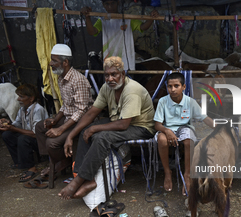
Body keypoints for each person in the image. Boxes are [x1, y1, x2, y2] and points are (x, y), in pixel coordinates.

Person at [59, 56, 155, 200]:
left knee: (101, 136)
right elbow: (91, 113)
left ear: (122, 74)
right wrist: (70, 136)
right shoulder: (107, 88)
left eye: (114, 74)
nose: (110, 79)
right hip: (119, 120)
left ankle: (79, 181)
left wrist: (95, 129)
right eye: (107, 75)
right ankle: (83, 177)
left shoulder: (132, 90)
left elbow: (123, 124)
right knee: (87, 130)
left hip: (141, 127)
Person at [35, 44, 93, 179]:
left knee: (52, 143)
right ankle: (56, 161)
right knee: (40, 126)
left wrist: (60, 129)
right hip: (69, 118)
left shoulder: (78, 80)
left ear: (65, 62)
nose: (50, 64)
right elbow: (65, 105)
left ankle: (64, 161)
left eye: (54, 61)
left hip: (82, 121)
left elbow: (81, 111)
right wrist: (55, 119)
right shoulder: (61, 78)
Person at [154, 72, 214, 195]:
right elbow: (157, 124)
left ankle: (187, 174)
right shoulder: (162, 101)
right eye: (170, 86)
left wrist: (220, 127)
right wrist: (167, 131)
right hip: (167, 129)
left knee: (188, 140)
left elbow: (205, 118)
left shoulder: (190, 101)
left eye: (176, 86)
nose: (173, 89)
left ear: (184, 87)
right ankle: (167, 172)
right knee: (162, 140)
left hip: (185, 127)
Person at [80, 0, 159, 70]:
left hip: (126, 62)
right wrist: (87, 18)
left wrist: (152, 18)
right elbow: (92, 32)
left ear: (118, 2)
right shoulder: (102, 21)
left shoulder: (128, 19)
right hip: (109, 63)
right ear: (103, 5)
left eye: (113, 3)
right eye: (107, 4)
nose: (110, 6)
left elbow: (143, 27)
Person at [0, 84, 49, 182]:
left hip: (42, 141)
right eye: (19, 96)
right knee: (6, 135)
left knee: (23, 138)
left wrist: (14, 129)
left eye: (21, 97)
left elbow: (36, 134)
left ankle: (32, 168)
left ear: (31, 98)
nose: (18, 99)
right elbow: (17, 124)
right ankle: (19, 161)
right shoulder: (23, 110)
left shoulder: (37, 109)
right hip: (32, 137)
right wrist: (8, 124)